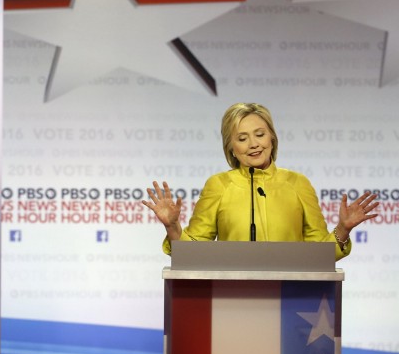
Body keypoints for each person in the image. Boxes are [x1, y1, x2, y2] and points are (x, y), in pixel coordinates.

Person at [142, 102, 378, 258]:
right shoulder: (219, 185)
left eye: (260, 134)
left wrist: (343, 229)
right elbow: (193, 253)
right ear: (232, 148)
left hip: (292, 299)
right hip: (231, 297)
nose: (254, 144)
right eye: (242, 138)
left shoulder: (298, 183)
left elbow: (318, 254)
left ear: (272, 139)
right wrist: (172, 226)